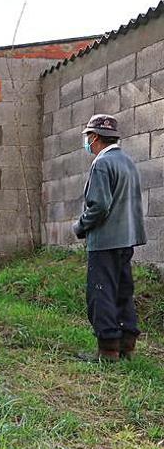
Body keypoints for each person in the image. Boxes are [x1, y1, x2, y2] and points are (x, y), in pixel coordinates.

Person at [73, 114, 146, 362]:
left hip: (105, 241)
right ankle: (127, 344)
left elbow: (100, 206)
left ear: (94, 137)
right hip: (127, 239)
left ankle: (107, 350)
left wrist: (80, 226)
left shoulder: (102, 164)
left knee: (101, 293)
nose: (87, 143)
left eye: (87, 138)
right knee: (123, 292)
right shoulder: (127, 161)